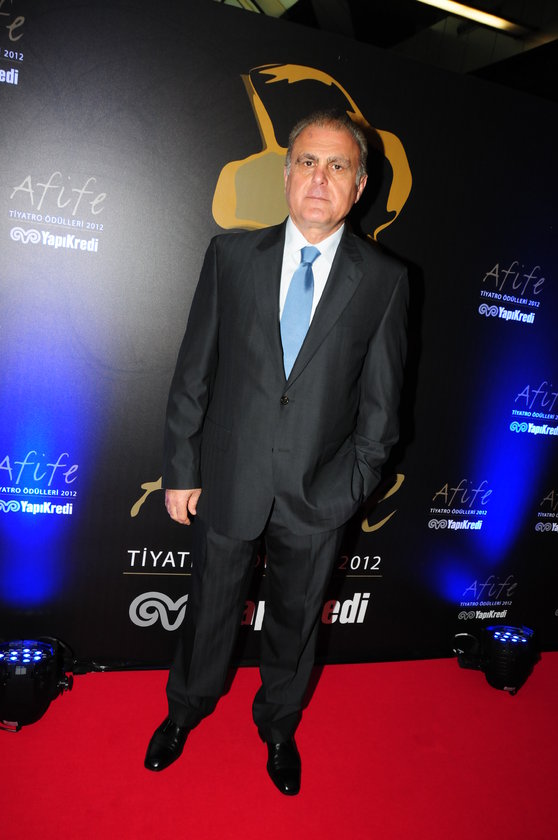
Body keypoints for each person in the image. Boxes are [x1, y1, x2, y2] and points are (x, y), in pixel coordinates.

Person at [145, 110, 409, 795]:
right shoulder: (230, 258)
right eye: (308, 162)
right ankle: (185, 710)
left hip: (320, 492)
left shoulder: (385, 280)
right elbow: (193, 374)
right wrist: (182, 469)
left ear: (360, 185)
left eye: (338, 165)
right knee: (209, 609)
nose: (320, 178)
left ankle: (279, 726)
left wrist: (351, 487)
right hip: (228, 478)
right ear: (287, 173)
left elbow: (382, 406)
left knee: (295, 622)